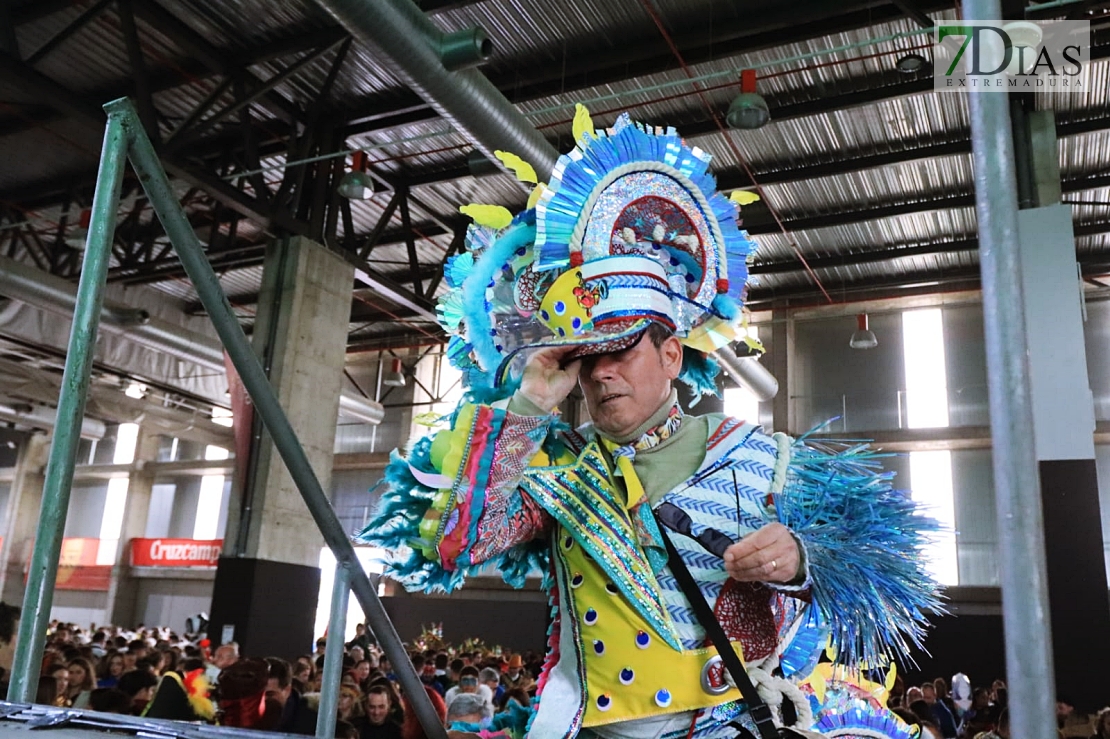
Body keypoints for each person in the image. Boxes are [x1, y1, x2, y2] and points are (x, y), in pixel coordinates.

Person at [359, 107, 940, 738]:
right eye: (588, 355)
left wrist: (804, 557)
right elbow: (456, 544)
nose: (602, 372)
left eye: (623, 350)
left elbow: (894, 574)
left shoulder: (767, 457)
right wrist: (529, 402)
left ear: (670, 356)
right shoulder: (557, 472)